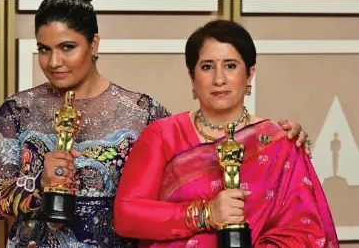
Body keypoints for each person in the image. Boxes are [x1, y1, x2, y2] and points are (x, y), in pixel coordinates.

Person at [0, 0, 311, 247]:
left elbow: (201, 162)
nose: (54, 61)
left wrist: (278, 138)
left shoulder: (142, 112)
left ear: (94, 44)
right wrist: (37, 184)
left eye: (67, 47)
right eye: (44, 50)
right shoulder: (18, 110)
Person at [113, 19, 339, 247]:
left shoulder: (278, 142)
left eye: (230, 66)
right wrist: (206, 214)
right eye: (207, 67)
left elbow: (305, 232)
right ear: (192, 76)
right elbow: (127, 215)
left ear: (250, 74)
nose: (219, 79)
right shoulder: (164, 134)